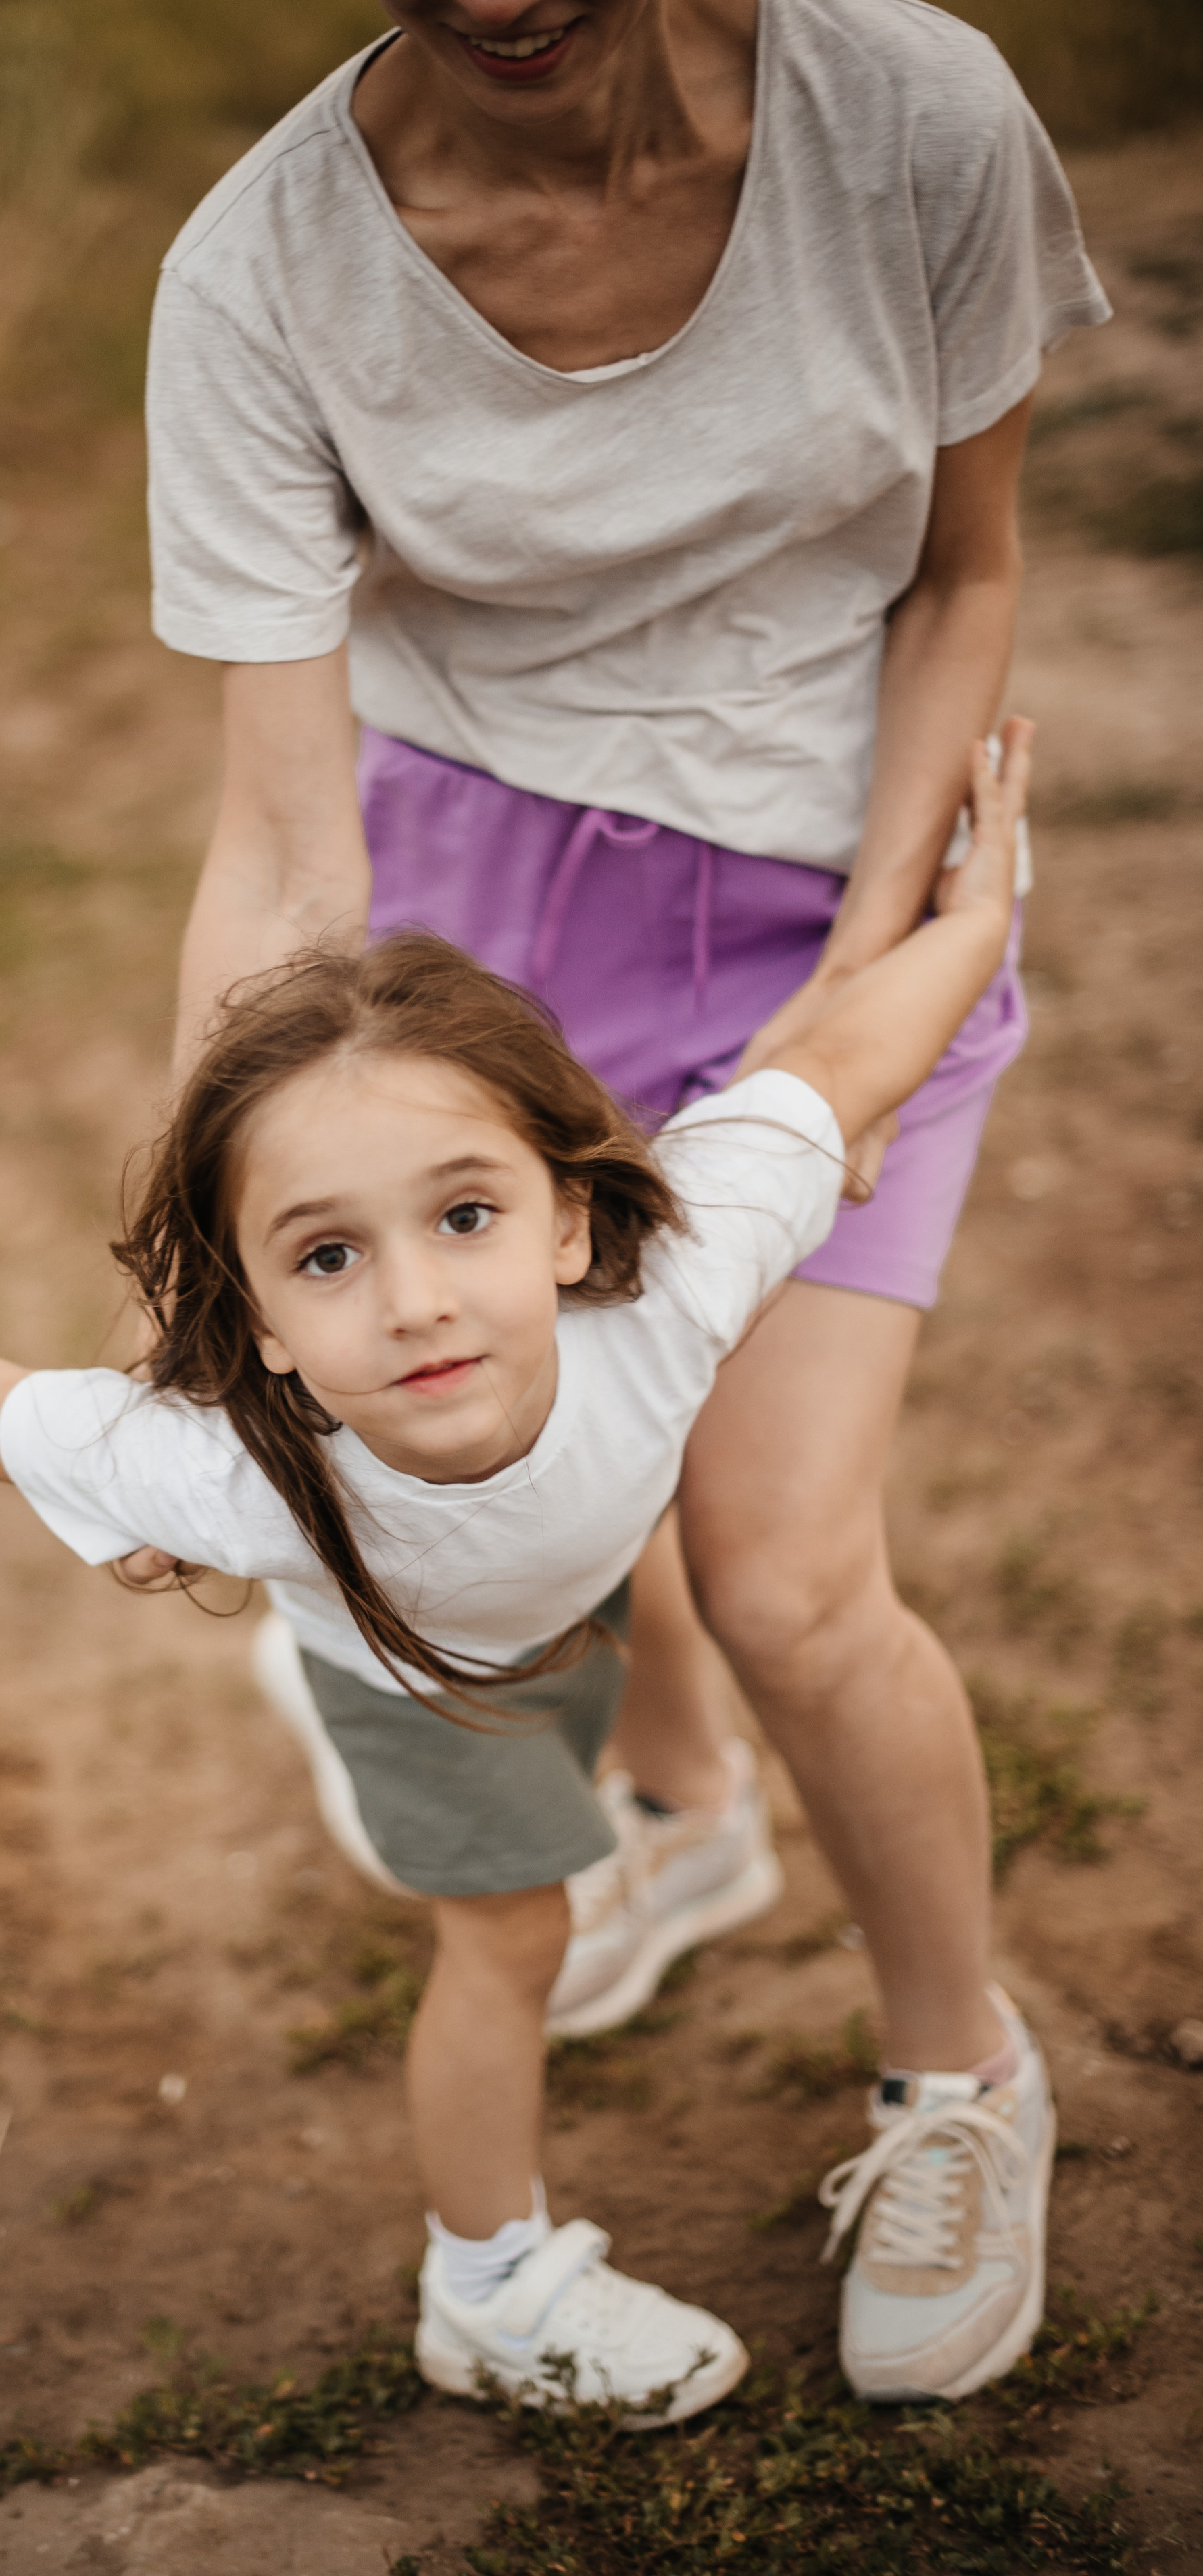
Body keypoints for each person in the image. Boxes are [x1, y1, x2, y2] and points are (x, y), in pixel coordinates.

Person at [0, 730, 1049, 2414]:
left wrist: (977, 903)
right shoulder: (226, 1463)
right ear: (267, 1328)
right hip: (423, 1683)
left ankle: (686, 1820)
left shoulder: (676, 1277)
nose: (418, 1300)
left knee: (628, 1555)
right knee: (505, 1939)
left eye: (462, 1216)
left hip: (559, 1589)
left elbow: (839, 1060)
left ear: (568, 1223)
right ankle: (490, 2283)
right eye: (327, 1256)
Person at [140, 0, 1108, 2396]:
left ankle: (962, 2071)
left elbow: (964, 577)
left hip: (835, 892)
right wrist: (199, 1274)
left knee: (784, 1563)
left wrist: (866, 986)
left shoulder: (917, 122)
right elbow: (278, 833)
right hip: (478, 920)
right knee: (534, 1454)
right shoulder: (261, 269)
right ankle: (675, 1815)